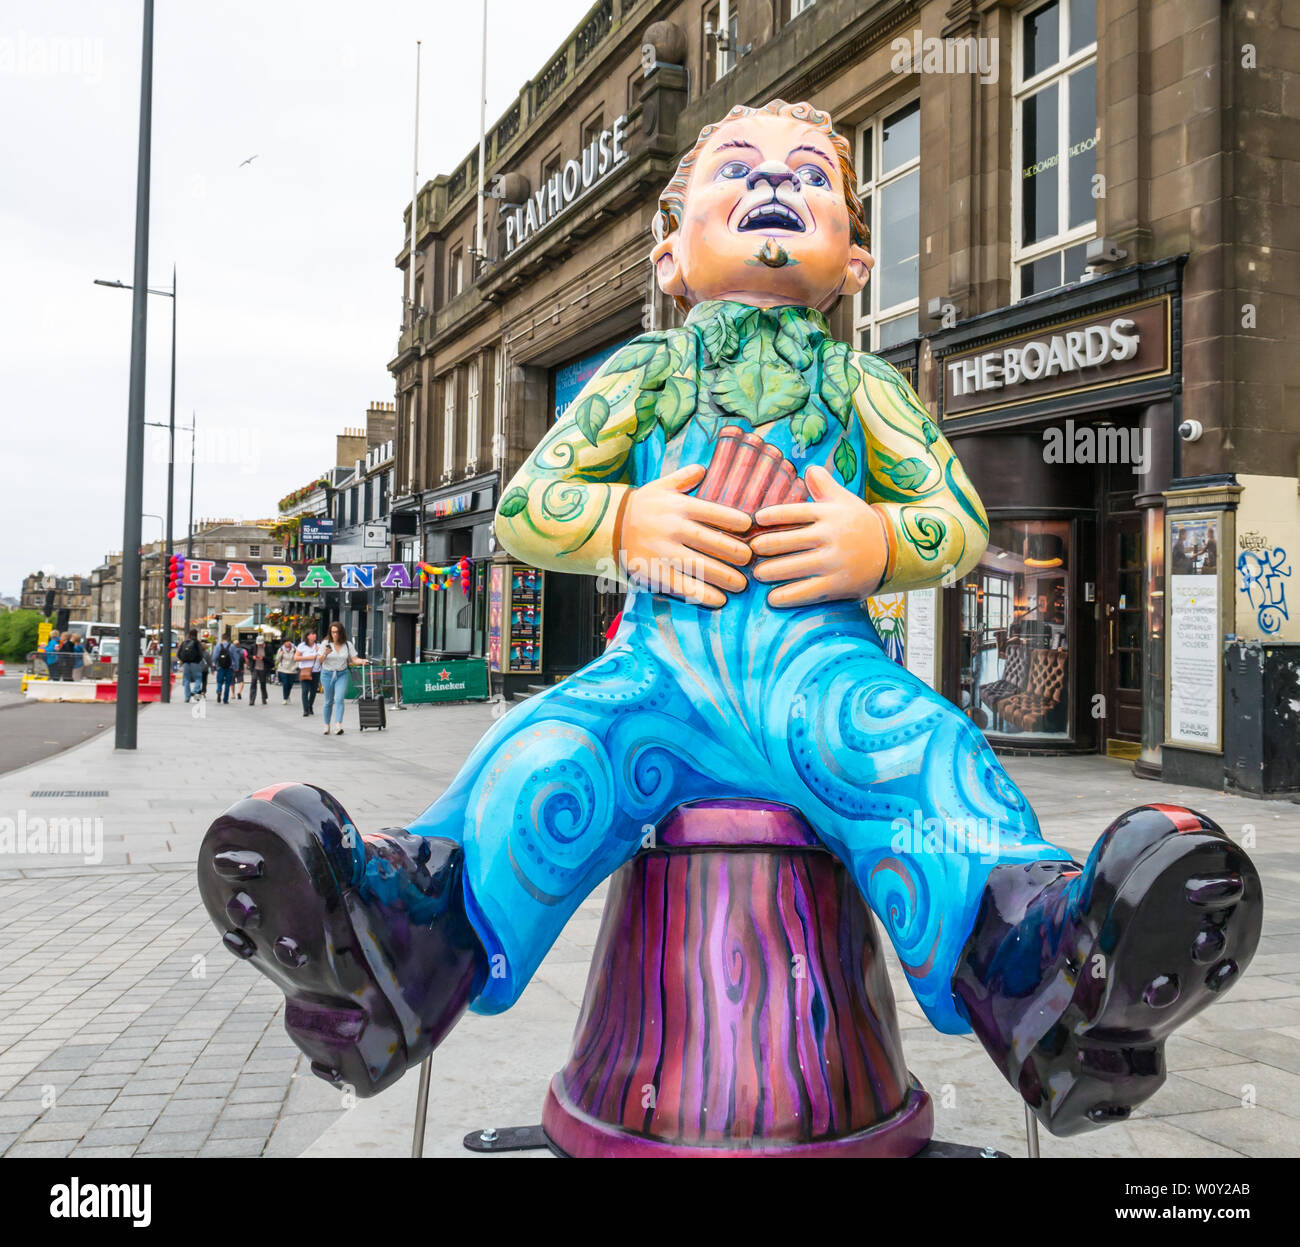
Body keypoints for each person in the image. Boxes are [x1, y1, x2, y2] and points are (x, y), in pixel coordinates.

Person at [199, 100, 1261, 1136]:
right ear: (669, 259)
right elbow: (527, 504)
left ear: (853, 264)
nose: (772, 185)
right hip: (660, 684)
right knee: (547, 751)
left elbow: (956, 515)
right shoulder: (647, 371)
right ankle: (401, 939)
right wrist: (623, 520)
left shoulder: (862, 385)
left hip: (826, 682)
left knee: (928, 756)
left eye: (809, 177)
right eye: (740, 168)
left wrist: (878, 543)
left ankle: (1043, 968)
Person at [317, 622, 367, 735]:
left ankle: (338, 725)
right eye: (333, 632)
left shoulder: (347, 644)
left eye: (337, 632)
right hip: (327, 674)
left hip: (341, 674)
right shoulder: (326, 643)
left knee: (339, 699)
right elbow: (319, 660)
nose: (335, 634)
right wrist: (325, 654)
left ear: (341, 632)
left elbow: (354, 659)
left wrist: (362, 661)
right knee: (328, 701)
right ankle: (326, 725)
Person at [212, 629, 242, 704]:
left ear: (222, 638)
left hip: (220, 667)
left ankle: (219, 690)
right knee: (228, 684)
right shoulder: (232, 646)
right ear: (228, 639)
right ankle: (225, 699)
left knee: (219, 681)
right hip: (229, 667)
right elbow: (236, 658)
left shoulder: (218, 646)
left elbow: (214, 657)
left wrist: (214, 665)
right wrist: (236, 667)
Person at [295, 631, 320, 716]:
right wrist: (309, 657)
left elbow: (323, 657)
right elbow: (296, 657)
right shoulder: (302, 646)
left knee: (313, 691)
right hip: (304, 671)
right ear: (308, 636)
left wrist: (320, 652)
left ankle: (310, 706)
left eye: (315, 633)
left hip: (315, 671)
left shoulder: (318, 646)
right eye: (312, 634)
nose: (314, 635)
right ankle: (305, 710)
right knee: (305, 691)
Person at [177, 629, 205, 703]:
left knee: (186, 680)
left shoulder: (184, 642)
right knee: (198, 679)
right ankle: (195, 691)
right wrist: (198, 660)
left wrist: (183, 660)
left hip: (185, 664)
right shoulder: (196, 642)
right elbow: (201, 653)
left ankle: (187, 698)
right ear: (196, 634)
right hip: (195, 663)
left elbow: (178, 654)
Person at [246, 637, 273, 706]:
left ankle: (264, 698)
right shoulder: (253, 646)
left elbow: (270, 659)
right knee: (253, 682)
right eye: (258, 644)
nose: (259, 645)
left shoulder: (268, 647)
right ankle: (252, 700)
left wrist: (263, 658)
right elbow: (248, 655)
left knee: (263, 683)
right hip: (255, 667)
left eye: (260, 644)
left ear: (263, 642)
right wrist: (253, 657)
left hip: (263, 668)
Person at [275, 639, 298, 703]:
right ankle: (285, 698)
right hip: (283, 669)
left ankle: (287, 695)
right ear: (284, 643)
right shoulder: (281, 649)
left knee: (290, 684)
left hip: (292, 669)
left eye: (289, 641)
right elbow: (277, 660)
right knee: (285, 683)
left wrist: (295, 667)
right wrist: (280, 654)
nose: (288, 643)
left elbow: (298, 659)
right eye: (286, 642)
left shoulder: (295, 649)